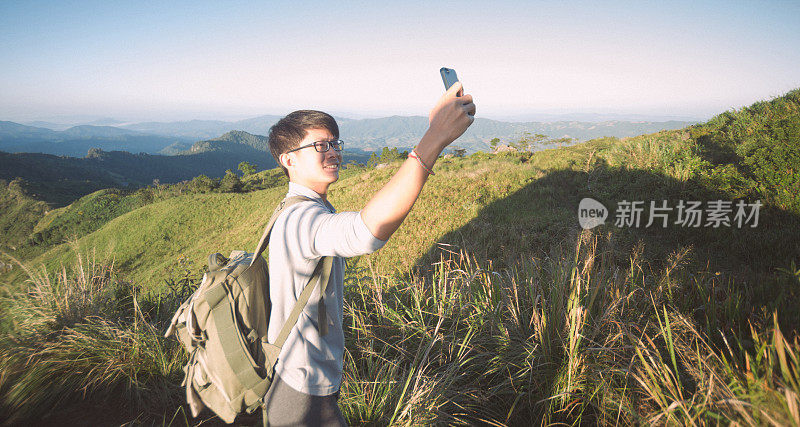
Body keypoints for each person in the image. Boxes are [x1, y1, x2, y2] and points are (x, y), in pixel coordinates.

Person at [263, 82, 475, 426]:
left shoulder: (301, 207)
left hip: (300, 380)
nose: (333, 151)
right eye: (320, 145)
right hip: (301, 391)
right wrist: (434, 137)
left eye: (335, 143)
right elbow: (365, 233)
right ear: (289, 159)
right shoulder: (300, 218)